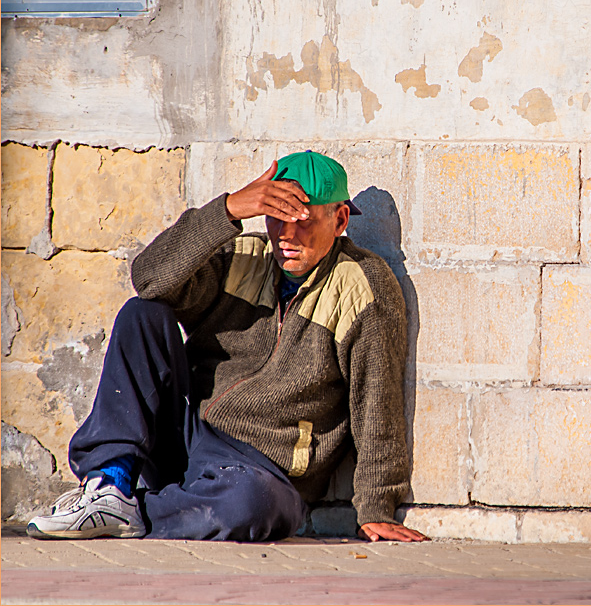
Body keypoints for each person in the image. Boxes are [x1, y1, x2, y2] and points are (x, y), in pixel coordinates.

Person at [27, 151, 428, 543]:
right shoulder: (242, 256)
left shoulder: (363, 287)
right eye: (276, 217)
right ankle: (109, 486)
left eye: (302, 221)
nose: (286, 235)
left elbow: (377, 401)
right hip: (189, 437)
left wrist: (376, 507)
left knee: (252, 505)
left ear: (339, 219)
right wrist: (229, 210)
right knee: (143, 313)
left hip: (260, 473)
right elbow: (148, 279)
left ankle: (127, 513)